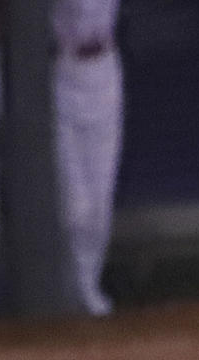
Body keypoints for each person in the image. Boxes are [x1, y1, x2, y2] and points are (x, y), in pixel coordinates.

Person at [52, 0, 121, 316]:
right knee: (75, 206)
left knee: (99, 203)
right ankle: (70, 295)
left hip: (104, 67)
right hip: (57, 71)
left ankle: (87, 292)